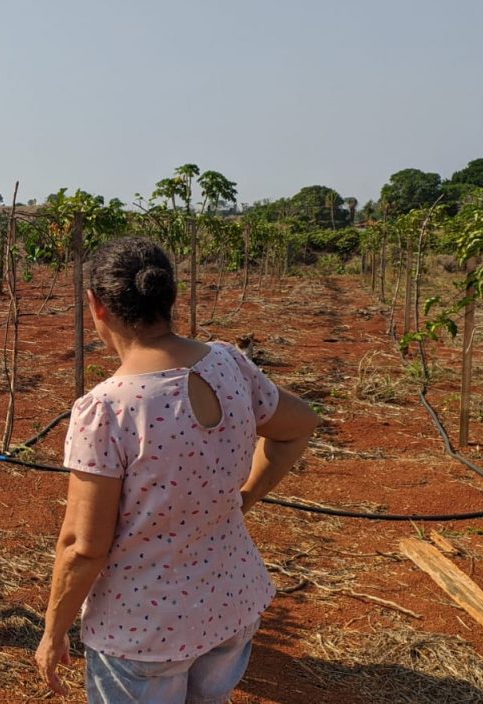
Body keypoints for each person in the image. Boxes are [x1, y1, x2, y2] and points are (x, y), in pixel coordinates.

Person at [34, 237, 319, 702]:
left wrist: (53, 632)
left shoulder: (107, 408)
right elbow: (299, 425)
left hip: (142, 631)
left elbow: (83, 547)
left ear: (96, 306)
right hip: (230, 603)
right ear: (168, 296)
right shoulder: (229, 364)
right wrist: (243, 497)